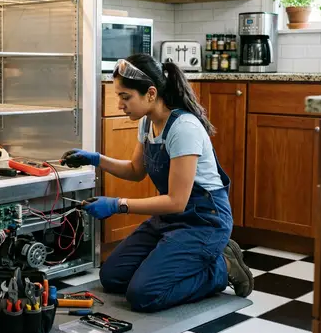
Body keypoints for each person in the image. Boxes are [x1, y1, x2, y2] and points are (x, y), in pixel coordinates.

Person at [61, 54, 253, 313]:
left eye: (125, 96)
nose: (119, 104)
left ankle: (221, 267)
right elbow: (135, 170)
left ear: (151, 94)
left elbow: (176, 201)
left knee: (144, 294)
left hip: (204, 222)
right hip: (170, 220)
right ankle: (180, 262)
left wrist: (118, 205)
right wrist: (96, 159)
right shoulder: (148, 122)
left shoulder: (183, 128)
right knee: (112, 276)